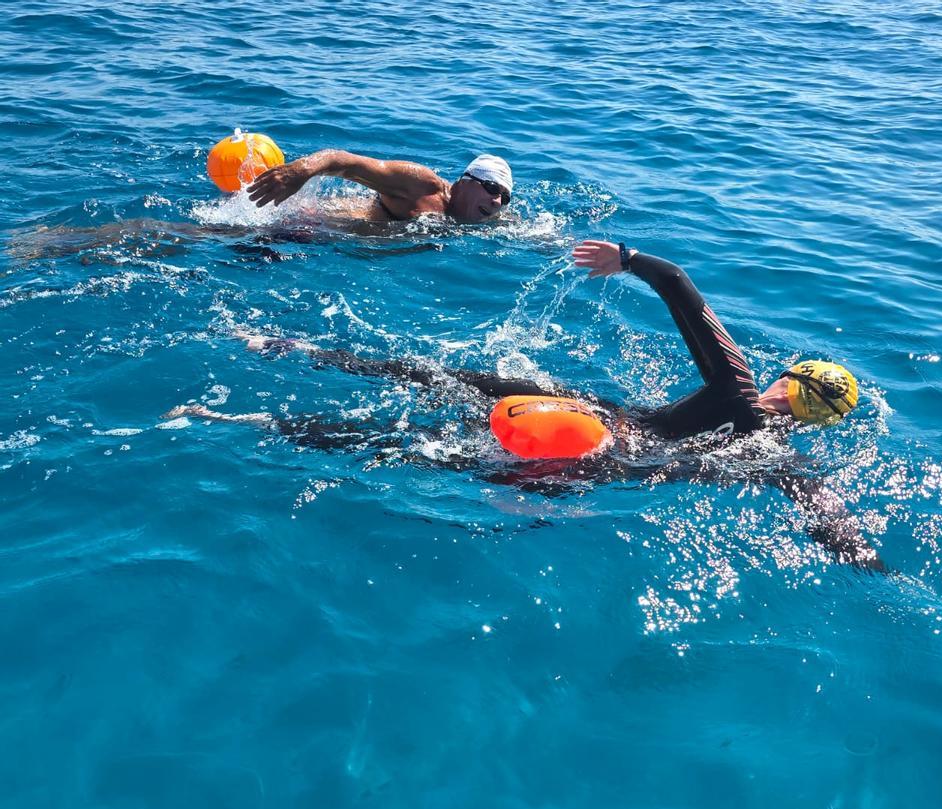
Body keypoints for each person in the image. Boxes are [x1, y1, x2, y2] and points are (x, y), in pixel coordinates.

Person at [167, 241, 882, 570]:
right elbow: (826, 519)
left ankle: (288, 348)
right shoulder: (781, 457)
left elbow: (683, 286)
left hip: (587, 416)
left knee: (431, 376)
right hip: (587, 464)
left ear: (792, 379)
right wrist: (869, 562)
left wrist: (626, 259)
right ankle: (246, 424)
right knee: (412, 449)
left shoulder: (738, 384)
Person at [246, 150, 514, 224]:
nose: (497, 202)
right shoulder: (420, 185)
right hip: (311, 227)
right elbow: (344, 162)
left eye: (505, 197)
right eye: (491, 188)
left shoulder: (488, 220)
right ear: (464, 182)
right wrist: (299, 171)